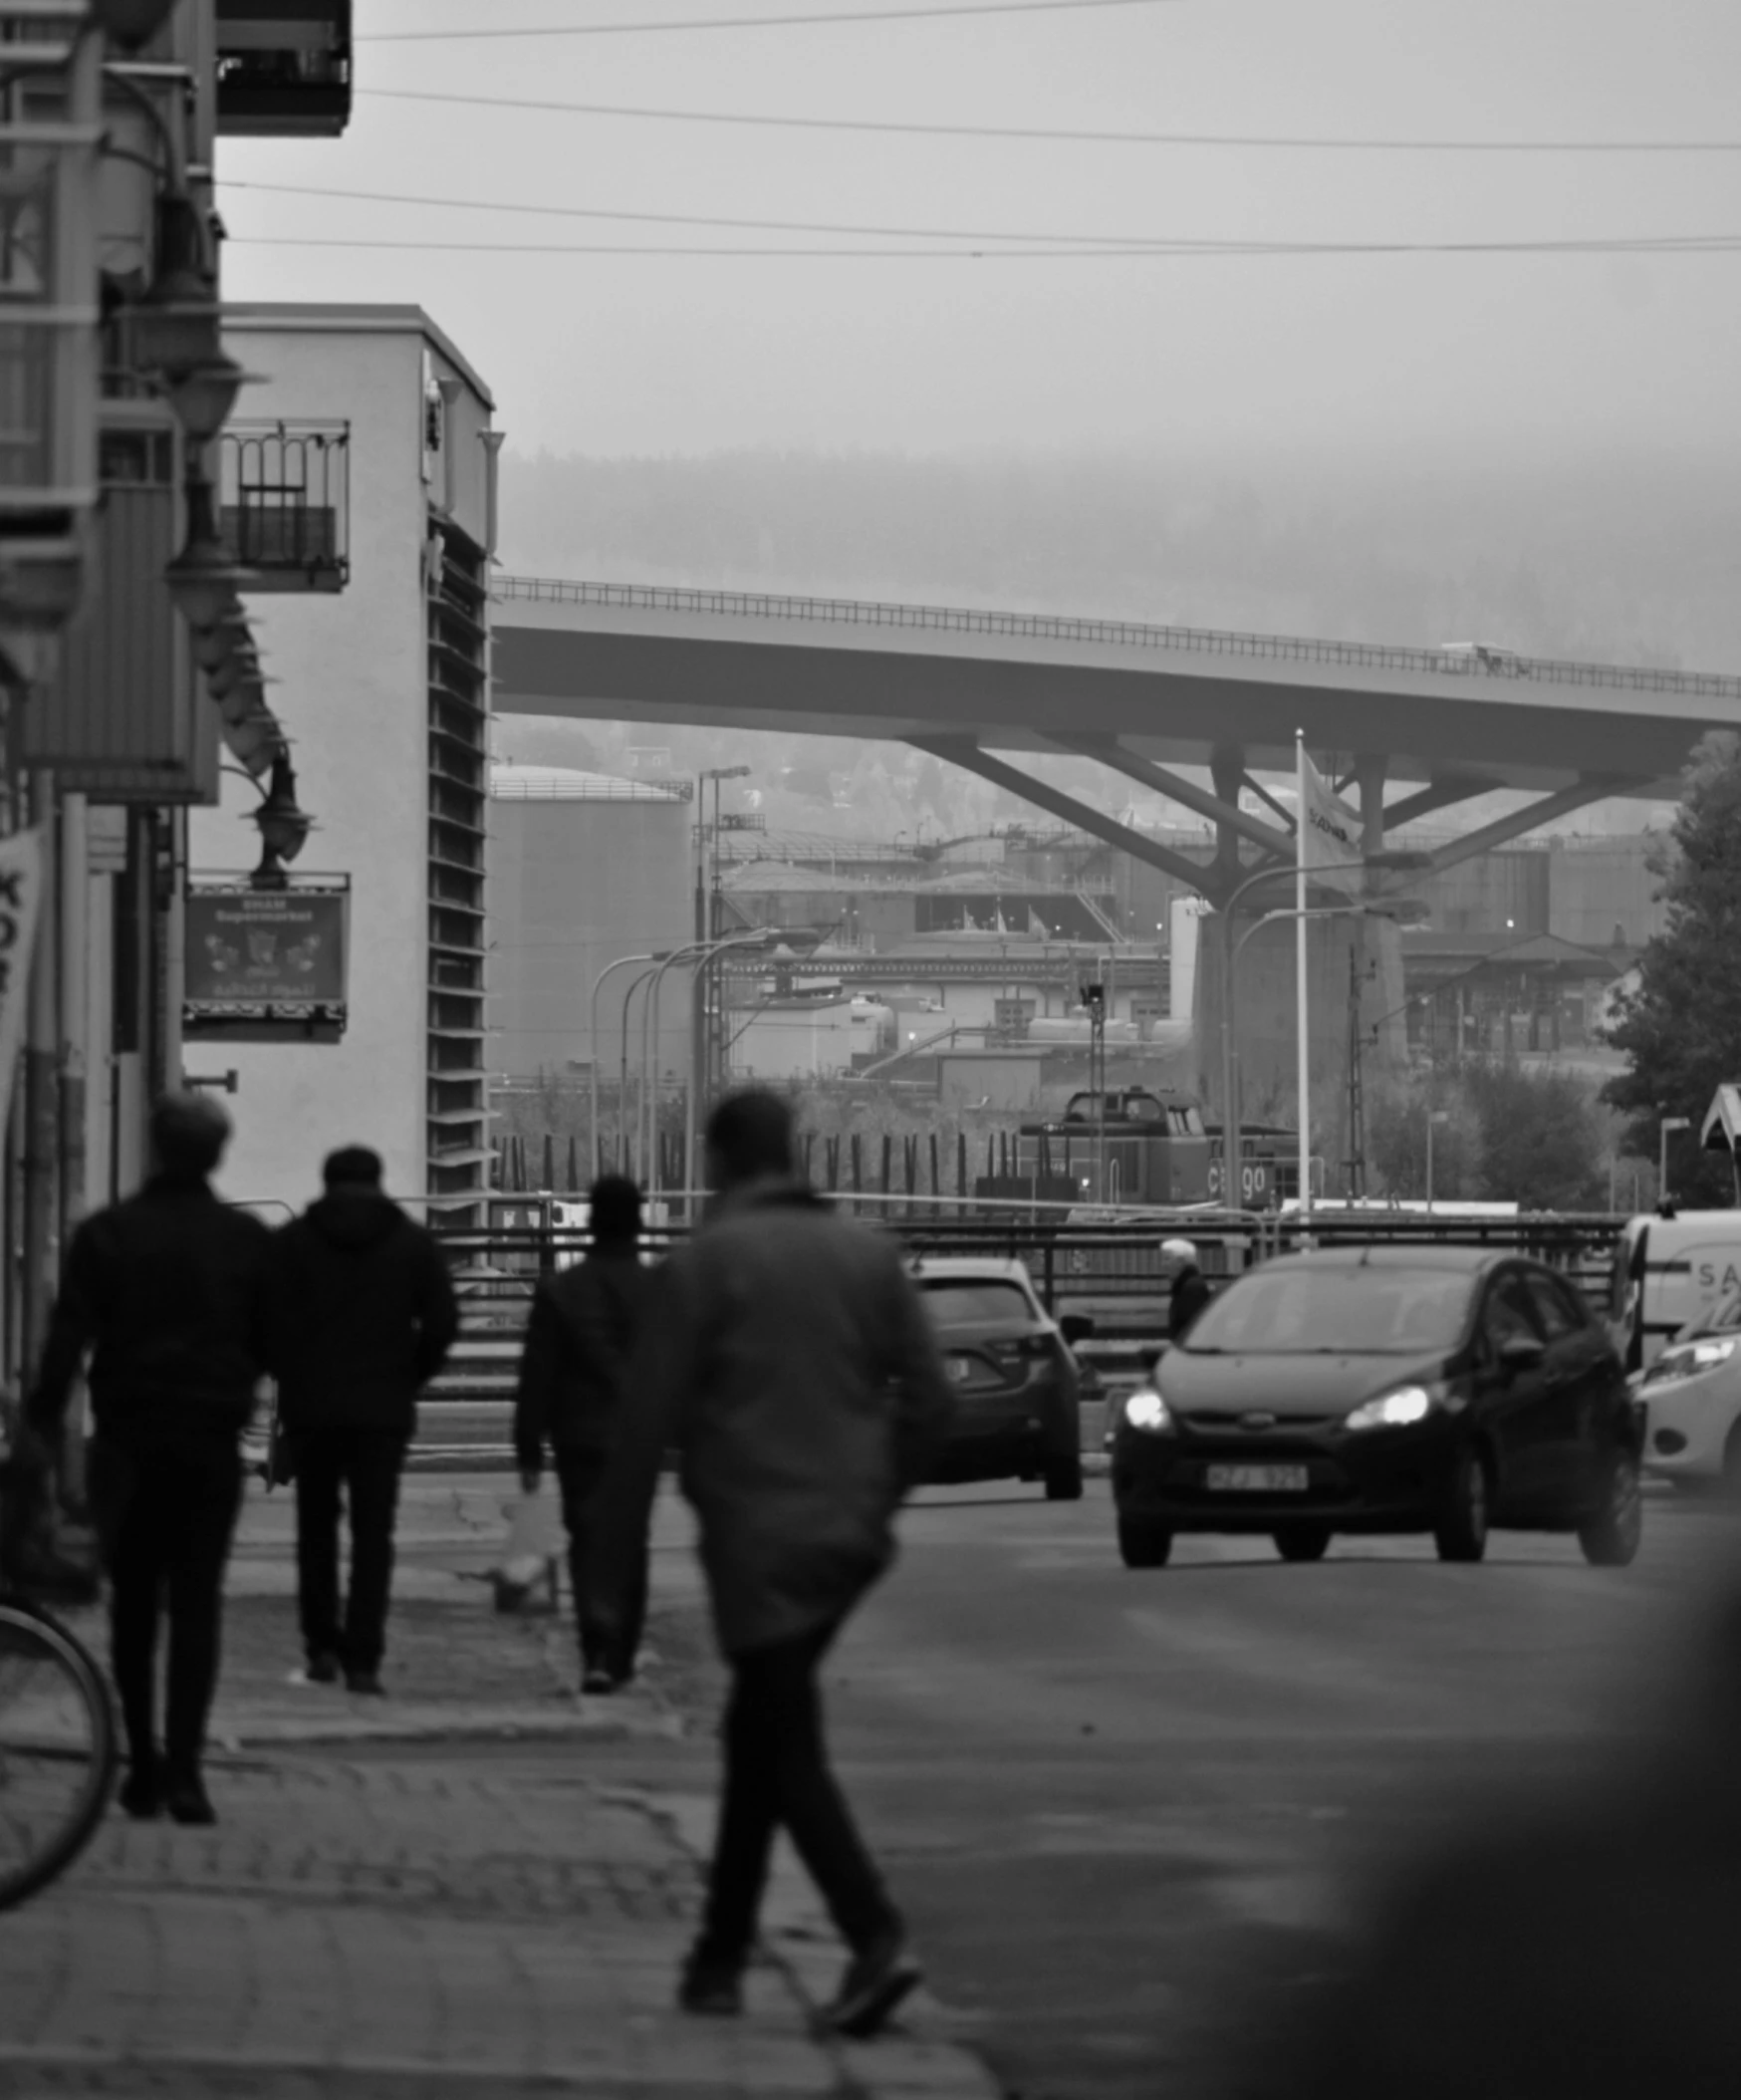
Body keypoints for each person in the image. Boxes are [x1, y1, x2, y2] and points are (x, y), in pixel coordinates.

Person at [588, 1089, 955, 2040]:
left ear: (718, 1163)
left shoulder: (704, 1269)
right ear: (792, 1155)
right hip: (848, 1540)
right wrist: (878, 1497)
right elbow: (933, 1403)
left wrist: (605, 1592)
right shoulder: (869, 1258)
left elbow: (638, 1436)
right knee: (759, 1731)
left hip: (755, 1540)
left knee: (780, 1743)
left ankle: (872, 1932)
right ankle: (718, 1959)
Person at [24, 1093, 272, 1826]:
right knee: (197, 1605)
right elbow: (271, 1335)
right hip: (208, 1441)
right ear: (218, 1153)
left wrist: (40, 1424)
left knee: (134, 1605)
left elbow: (68, 1341)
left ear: (156, 1147)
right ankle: (189, 1772)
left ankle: (141, 1764)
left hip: (128, 1443)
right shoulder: (246, 1240)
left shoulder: (109, 1234)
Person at [268, 1146, 458, 1697]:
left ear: (326, 1184)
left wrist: (293, 1374)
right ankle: (365, 1657)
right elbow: (443, 1324)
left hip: (313, 1408)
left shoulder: (294, 1244)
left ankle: (321, 1646)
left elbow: (265, 1320)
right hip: (382, 1410)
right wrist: (408, 1377)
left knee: (316, 1528)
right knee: (374, 1534)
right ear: (379, 1183)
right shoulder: (413, 1245)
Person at [513, 1173, 653, 1693]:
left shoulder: (560, 1291)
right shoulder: (657, 1290)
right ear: (638, 1224)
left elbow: (538, 1374)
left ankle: (596, 1646)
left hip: (578, 1439)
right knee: (632, 1544)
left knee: (587, 1540)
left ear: (590, 1223)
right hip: (637, 1443)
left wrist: (528, 1445)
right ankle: (622, 1651)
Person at [1162, 1237, 1212, 1343]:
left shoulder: (1191, 1289)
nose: (1164, 1265)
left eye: (1167, 1259)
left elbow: (1190, 1330)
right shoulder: (1188, 1286)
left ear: (1180, 1261)